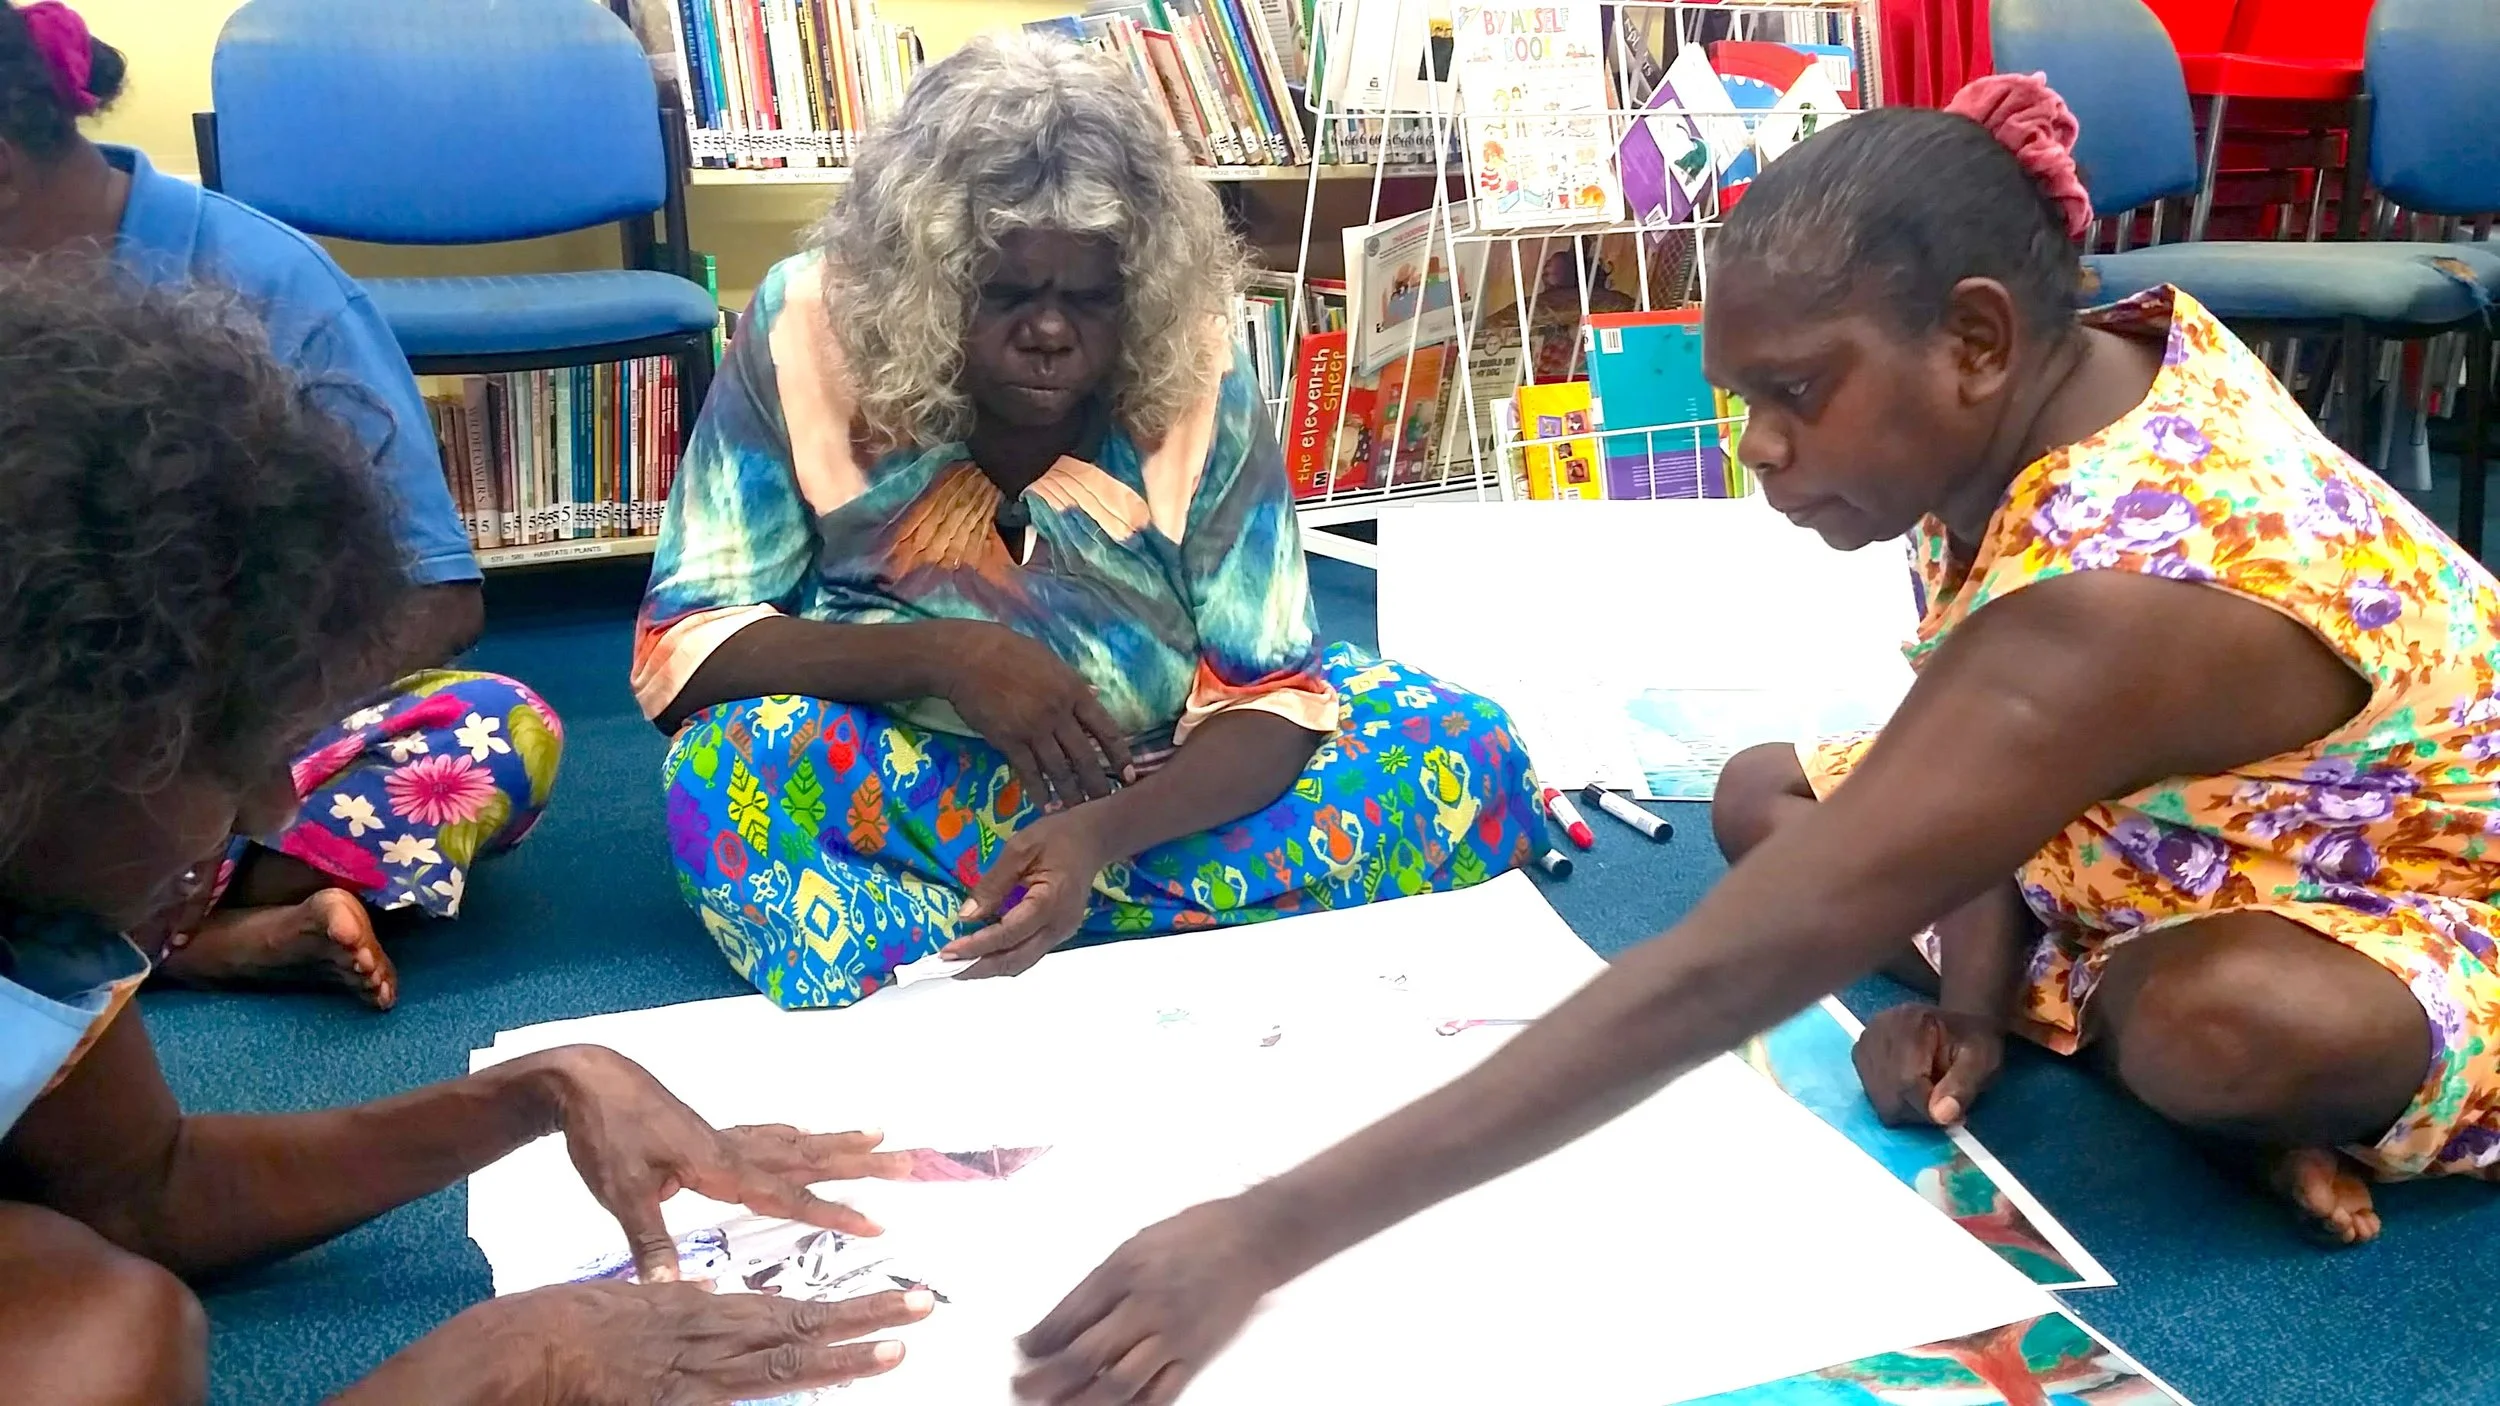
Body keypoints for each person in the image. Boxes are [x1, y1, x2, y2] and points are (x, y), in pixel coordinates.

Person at [1008, 74, 2500, 1402]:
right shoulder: (2056, 389)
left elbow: (1733, 963)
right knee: (1759, 793)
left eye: (1795, 394)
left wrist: (1266, 1230)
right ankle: (2071, 1010)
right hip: (2170, 834)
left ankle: (2232, 1072)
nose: (1759, 450)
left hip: (2414, 893)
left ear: (1977, 336)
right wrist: (1973, 1007)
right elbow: (1992, 762)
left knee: (2208, 1031)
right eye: (1743, 399)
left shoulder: (2124, 587)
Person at [0, 256, 935, 1405]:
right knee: (108, 1335)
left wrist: (541, 1088)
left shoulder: (46, 890)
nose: (273, 812)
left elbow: (140, 1189)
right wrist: (488, 1368)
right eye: (215, 758)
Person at [633, 33, 1541, 1010]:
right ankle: (1128, 915)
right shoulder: (808, 323)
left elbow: (1270, 693)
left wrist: (1096, 835)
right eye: (1006, 292)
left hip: (1153, 781)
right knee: (722, 773)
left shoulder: (1191, 353)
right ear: (923, 280)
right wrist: (947, 657)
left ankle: (964, 920)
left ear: (1139, 291)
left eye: (1091, 299)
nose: (1050, 332)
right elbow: (682, 648)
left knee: (1467, 746)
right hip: (899, 765)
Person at [0, 1, 563, 1009]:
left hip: (213, 746)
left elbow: (437, 596)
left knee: (494, 730)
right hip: (31, 741)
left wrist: (216, 758)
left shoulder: (269, 282)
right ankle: (186, 939)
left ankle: (125, 929)